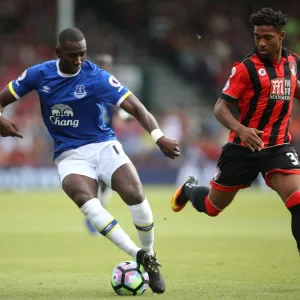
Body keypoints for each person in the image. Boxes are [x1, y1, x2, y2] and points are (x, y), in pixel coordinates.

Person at [0, 28, 181, 293]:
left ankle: (150, 255)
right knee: (85, 199)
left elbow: (136, 107)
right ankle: (138, 255)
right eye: (72, 55)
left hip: (103, 145)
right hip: (69, 154)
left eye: (83, 54)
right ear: (58, 53)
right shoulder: (39, 74)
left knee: (134, 193)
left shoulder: (95, 76)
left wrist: (159, 137)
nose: (79, 60)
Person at [171, 8, 300, 255]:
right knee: (212, 207)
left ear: (282, 36)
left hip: (278, 146)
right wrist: (241, 130)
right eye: (257, 37)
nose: (261, 43)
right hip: (242, 148)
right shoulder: (245, 68)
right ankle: (189, 189)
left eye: (268, 37)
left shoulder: (292, 62)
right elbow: (220, 108)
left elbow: (294, 87)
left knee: (297, 198)